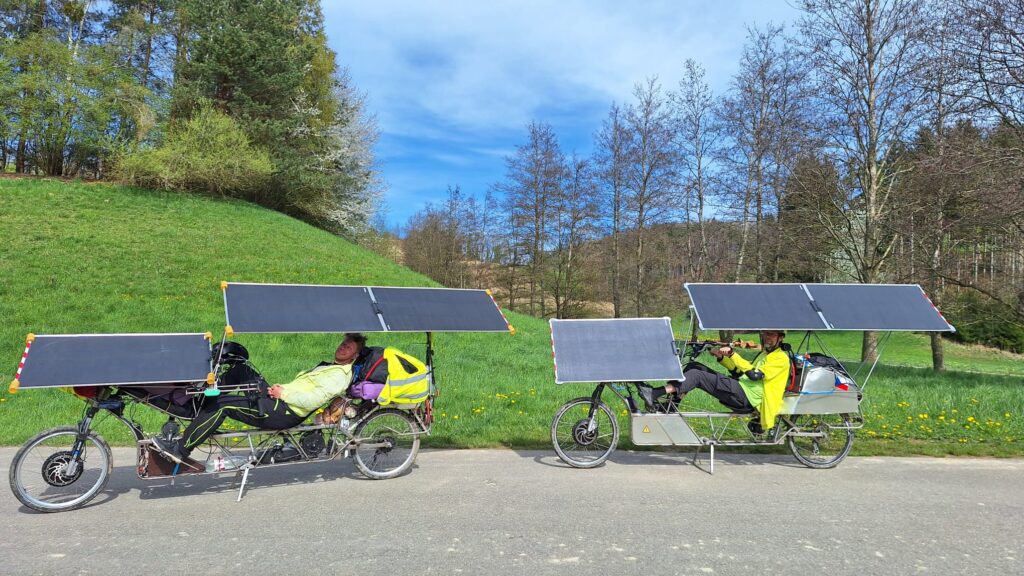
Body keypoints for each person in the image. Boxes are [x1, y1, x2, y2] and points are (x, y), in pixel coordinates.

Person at [150, 335, 359, 464]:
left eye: (348, 347)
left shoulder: (340, 375)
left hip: (284, 412)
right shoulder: (330, 366)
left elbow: (313, 400)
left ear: (354, 356)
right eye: (343, 343)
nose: (342, 347)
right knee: (241, 369)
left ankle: (180, 450)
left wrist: (282, 393)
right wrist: (278, 390)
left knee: (225, 405)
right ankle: (199, 409)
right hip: (279, 399)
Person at [639, 330, 791, 433]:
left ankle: (655, 393)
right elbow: (739, 372)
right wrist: (721, 357)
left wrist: (733, 354)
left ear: (780, 337)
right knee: (694, 366)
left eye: (771, 335)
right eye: (765, 334)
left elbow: (754, 375)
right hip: (742, 389)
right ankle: (672, 406)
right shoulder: (765, 354)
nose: (766, 337)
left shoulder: (780, 358)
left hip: (749, 398)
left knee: (698, 376)